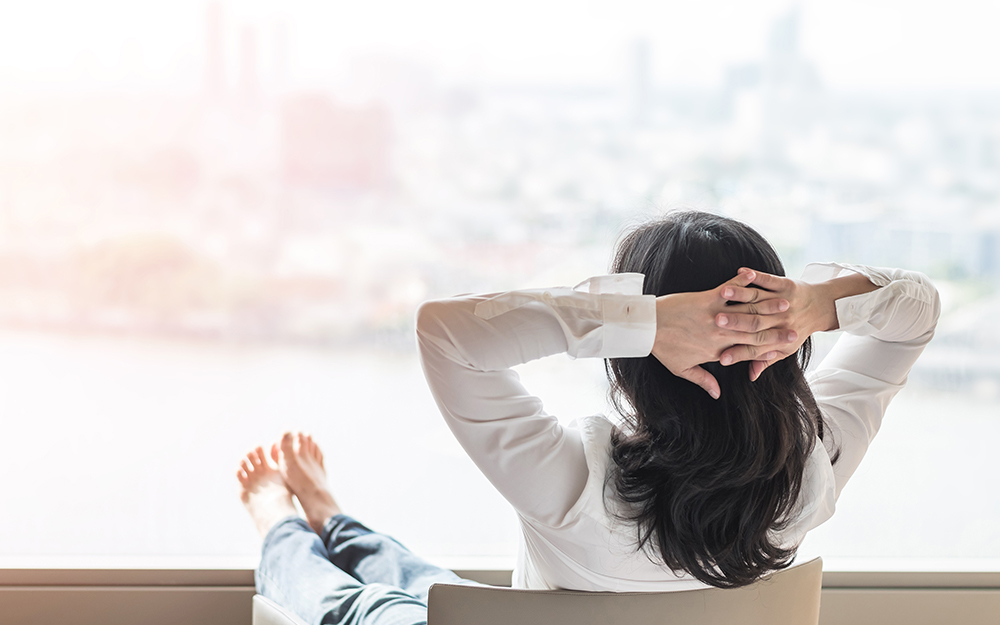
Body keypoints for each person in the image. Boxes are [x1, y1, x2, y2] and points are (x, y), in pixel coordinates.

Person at [237, 211, 939, 622]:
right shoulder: (814, 473)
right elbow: (916, 315)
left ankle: (283, 521)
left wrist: (637, 321)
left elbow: (445, 333)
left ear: (632, 360)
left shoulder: (573, 486)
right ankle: (336, 518)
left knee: (362, 606)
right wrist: (817, 305)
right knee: (426, 582)